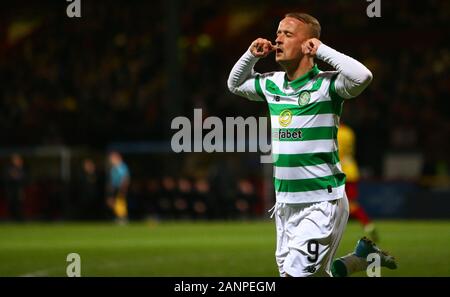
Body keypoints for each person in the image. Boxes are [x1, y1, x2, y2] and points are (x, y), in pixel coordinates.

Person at [227, 12, 396, 277]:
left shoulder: (326, 85)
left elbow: (363, 77)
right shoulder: (272, 83)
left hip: (321, 201)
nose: (278, 39)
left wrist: (323, 50)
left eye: (287, 34)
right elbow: (234, 84)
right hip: (285, 202)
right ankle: (360, 260)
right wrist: (251, 56)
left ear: (309, 46)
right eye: (278, 33)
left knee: (298, 275)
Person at [338, 123, 378, 242]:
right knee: (349, 203)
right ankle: (368, 225)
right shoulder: (349, 131)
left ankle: (367, 224)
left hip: (340, 170)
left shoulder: (334, 131)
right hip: (352, 169)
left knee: (349, 204)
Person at [106, 151, 130, 224]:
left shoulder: (122, 167)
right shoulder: (113, 168)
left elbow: (125, 177)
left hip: (121, 187)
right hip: (114, 188)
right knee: (113, 202)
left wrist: (123, 187)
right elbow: (112, 179)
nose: (111, 160)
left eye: (112, 158)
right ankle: (119, 216)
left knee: (120, 202)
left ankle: (122, 217)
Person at [4, 153, 26, 221]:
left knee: (19, 205)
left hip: (19, 190)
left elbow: (23, 179)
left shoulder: (22, 169)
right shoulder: (9, 169)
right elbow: (8, 178)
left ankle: (19, 219)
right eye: (16, 160)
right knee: (12, 205)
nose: (17, 161)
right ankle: (13, 219)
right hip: (11, 190)